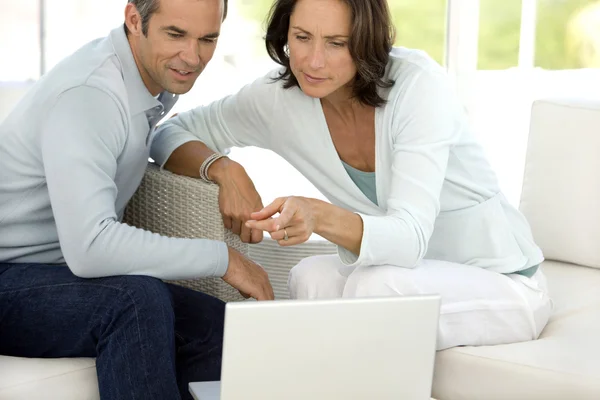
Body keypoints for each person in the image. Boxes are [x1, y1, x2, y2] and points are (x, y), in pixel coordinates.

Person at [152, 0, 552, 350]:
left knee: (374, 289)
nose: (314, 61)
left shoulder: (417, 88)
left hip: (500, 283)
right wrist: (222, 168)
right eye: (303, 37)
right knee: (310, 277)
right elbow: (169, 133)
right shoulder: (280, 99)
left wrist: (318, 215)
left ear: (366, 41)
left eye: (337, 43)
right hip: (407, 278)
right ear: (285, 33)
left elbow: (411, 238)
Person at [0, 0, 274, 399]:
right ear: (134, 20)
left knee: (219, 329)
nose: (193, 56)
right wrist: (224, 259)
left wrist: (221, 167)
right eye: (176, 34)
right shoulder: (89, 95)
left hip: (51, 273)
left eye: (207, 39)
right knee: (134, 300)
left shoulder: (147, 76)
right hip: (9, 276)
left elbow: (156, 133)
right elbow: (91, 249)